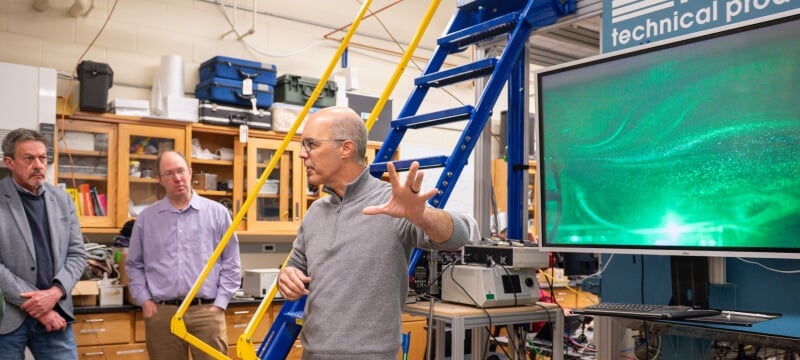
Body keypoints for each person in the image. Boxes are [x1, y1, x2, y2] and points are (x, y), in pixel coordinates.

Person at [278, 106, 480, 359]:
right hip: (312, 354)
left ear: (345, 148)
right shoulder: (315, 212)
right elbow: (296, 265)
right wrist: (286, 276)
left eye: (311, 144)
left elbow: (459, 235)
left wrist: (422, 215)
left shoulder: (392, 204)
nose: (301, 154)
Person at [126, 150, 241, 360]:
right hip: (162, 315)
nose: (177, 178)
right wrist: (144, 300)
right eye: (169, 173)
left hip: (206, 312)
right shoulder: (146, 219)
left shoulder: (217, 213)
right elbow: (134, 264)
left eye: (180, 171)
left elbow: (231, 262)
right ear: (159, 179)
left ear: (190, 172)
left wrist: (221, 302)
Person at [0, 128, 87, 359]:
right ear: (9, 162)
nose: (38, 165)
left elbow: (77, 254)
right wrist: (38, 306)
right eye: (29, 158)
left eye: (42, 158)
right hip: (7, 319)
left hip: (56, 313)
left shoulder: (62, 199)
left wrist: (55, 292)